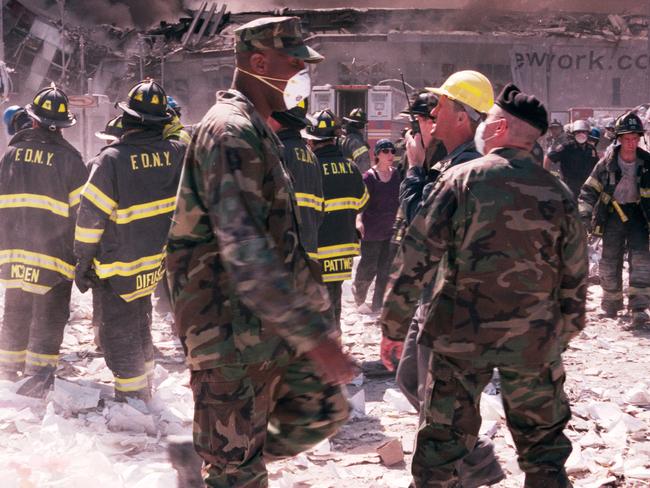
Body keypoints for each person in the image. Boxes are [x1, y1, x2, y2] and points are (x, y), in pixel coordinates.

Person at [166, 16, 355, 486]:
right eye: (293, 63)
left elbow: (280, 240)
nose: (300, 75)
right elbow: (244, 247)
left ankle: (217, 450)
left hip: (265, 327)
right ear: (258, 61)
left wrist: (316, 323)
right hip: (227, 331)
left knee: (320, 409)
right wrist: (312, 337)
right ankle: (224, 456)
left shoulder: (255, 127)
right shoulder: (230, 131)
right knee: (239, 474)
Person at [381, 83, 588, 488]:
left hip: (460, 336)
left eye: (489, 120)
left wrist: (392, 327)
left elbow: (415, 259)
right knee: (544, 456)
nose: (484, 127)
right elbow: (574, 280)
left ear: (500, 129)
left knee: (440, 450)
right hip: (532, 339)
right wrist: (555, 337)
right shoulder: (558, 193)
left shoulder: (461, 179)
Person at [394, 70, 505, 488]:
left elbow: (421, 224)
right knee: (410, 380)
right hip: (435, 297)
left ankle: (457, 469)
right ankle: (473, 460)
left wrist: (414, 169)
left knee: (439, 406)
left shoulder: (469, 167)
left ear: (463, 117)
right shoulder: (452, 163)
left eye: (440, 108)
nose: (432, 115)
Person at [73, 79, 186, 402]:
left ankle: (132, 400)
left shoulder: (111, 160)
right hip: (153, 264)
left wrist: (83, 262)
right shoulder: (177, 153)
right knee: (141, 325)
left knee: (119, 335)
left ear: (128, 119)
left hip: (116, 267)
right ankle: (145, 390)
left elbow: (90, 220)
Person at [0, 85, 87, 396]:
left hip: (13, 257)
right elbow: (83, 215)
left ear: (32, 120)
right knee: (49, 318)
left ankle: (9, 375)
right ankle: (39, 377)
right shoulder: (71, 160)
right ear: (63, 126)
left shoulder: (10, 155)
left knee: (16, 312)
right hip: (54, 259)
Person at [578, 112, 650, 329]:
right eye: (627, 139)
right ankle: (611, 303)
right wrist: (583, 217)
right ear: (618, 139)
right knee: (609, 260)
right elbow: (588, 191)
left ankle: (639, 307)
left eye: (635, 139)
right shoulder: (606, 164)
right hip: (612, 216)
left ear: (640, 139)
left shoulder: (647, 163)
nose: (631, 143)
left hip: (639, 216)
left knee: (640, 259)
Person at [304, 108, 368, 330]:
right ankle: (336, 345)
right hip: (342, 252)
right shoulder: (351, 168)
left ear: (312, 142)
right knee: (335, 304)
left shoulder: (311, 168)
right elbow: (362, 202)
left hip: (318, 251)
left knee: (316, 309)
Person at [268, 99, 323, 264]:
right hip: (308, 253)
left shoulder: (276, 151)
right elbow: (319, 210)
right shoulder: (311, 156)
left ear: (277, 119)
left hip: (282, 258)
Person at [352, 139, 400, 314]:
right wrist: (358, 220)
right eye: (386, 151)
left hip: (390, 230)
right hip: (371, 231)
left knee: (385, 270)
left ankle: (378, 304)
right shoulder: (368, 177)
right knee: (368, 266)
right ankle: (359, 298)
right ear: (377, 154)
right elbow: (360, 203)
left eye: (392, 151)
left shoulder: (396, 175)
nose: (390, 155)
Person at [544, 119, 598, 198]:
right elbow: (548, 158)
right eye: (578, 132)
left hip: (587, 187)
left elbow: (597, 166)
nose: (581, 134)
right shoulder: (566, 147)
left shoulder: (591, 149)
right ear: (573, 134)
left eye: (584, 132)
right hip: (570, 186)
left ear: (588, 133)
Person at [339, 107, 371, 173]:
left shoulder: (341, 138)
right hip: (353, 179)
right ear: (361, 126)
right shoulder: (357, 142)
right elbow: (364, 166)